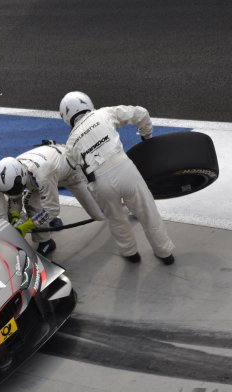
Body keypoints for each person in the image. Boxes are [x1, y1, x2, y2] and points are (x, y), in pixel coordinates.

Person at [60, 91, 175, 264]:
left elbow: (73, 168)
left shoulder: (70, 143)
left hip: (98, 182)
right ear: (87, 103)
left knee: (116, 219)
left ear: (66, 117)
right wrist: (147, 136)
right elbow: (141, 113)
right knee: (148, 212)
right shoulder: (103, 113)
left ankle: (130, 253)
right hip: (124, 169)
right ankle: (165, 253)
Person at [0, 144, 81, 257]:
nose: (12, 194)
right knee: (31, 202)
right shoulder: (17, 169)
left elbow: (52, 209)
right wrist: (15, 216)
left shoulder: (43, 175)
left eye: (13, 190)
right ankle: (45, 238)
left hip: (70, 169)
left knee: (96, 214)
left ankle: (47, 237)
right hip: (48, 168)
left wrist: (26, 226)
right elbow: (15, 196)